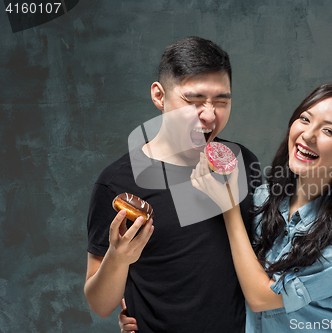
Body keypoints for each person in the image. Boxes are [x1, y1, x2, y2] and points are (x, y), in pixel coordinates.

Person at [188, 82, 332, 332]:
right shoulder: (263, 199)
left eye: (329, 131)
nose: (308, 135)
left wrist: (230, 208)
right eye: (305, 119)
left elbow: (261, 299)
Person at [84, 36, 261, 333]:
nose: (209, 115)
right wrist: (118, 259)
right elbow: (100, 304)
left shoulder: (242, 163)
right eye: (193, 101)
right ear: (159, 96)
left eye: (221, 101)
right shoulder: (116, 184)